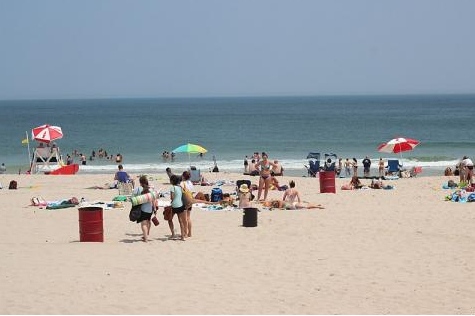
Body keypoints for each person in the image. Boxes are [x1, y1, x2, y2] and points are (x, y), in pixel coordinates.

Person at [133, 176, 156, 242]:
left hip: (143, 209)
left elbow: (134, 198)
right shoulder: (151, 189)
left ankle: (146, 238)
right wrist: (154, 208)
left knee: (143, 224)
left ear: (140, 182)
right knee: (148, 222)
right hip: (150, 209)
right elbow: (153, 200)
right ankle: (146, 235)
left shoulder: (138, 189)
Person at [169, 175, 187, 241]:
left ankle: (173, 234)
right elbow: (184, 192)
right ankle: (182, 236)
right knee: (181, 221)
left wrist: (171, 200)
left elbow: (172, 197)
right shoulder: (180, 187)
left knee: (169, 219)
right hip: (180, 205)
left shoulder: (172, 188)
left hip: (174, 206)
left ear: (172, 181)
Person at [181, 171, 194, 238]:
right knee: (188, 217)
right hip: (190, 201)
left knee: (184, 219)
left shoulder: (182, 183)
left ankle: (185, 233)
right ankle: (190, 233)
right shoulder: (191, 183)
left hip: (184, 202)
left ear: (183, 176)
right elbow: (192, 192)